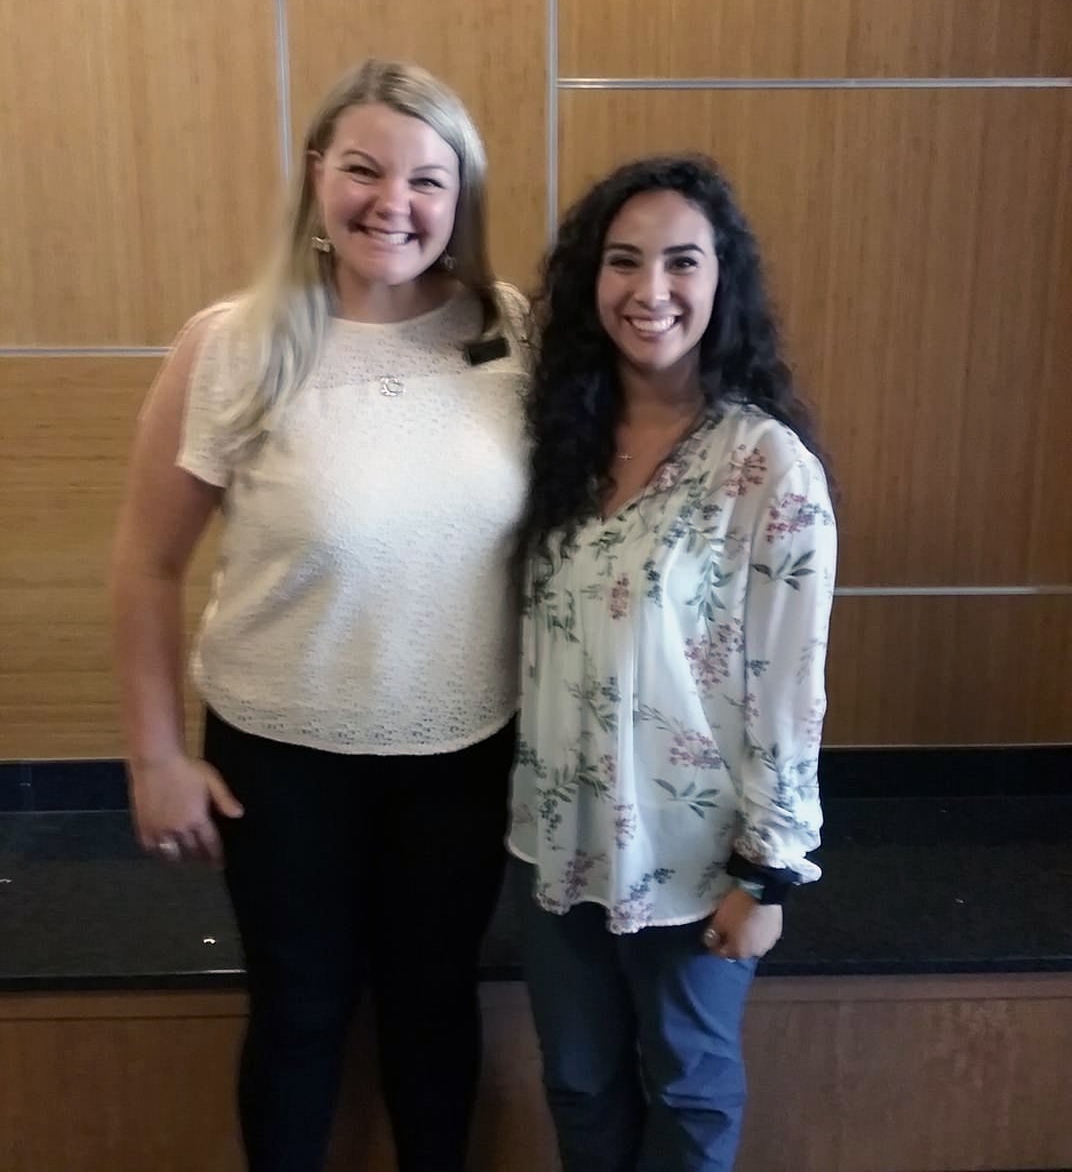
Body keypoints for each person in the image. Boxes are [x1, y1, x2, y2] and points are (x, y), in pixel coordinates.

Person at [112, 59, 529, 1172]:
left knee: (432, 1011)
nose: (393, 202)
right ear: (316, 177)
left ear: (461, 198)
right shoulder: (232, 344)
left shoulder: (510, 335)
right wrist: (153, 755)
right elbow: (147, 566)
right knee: (299, 1020)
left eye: (427, 179)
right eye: (363, 169)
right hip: (280, 761)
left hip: (462, 755)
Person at [508, 153, 837, 1172]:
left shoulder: (763, 465)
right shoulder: (552, 440)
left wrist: (767, 874)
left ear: (720, 283)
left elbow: (792, 682)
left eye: (682, 263)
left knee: (688, 1091)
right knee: (578, 1083)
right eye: (623, 262)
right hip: (553, 844)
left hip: (696, 858)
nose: (650, 290)